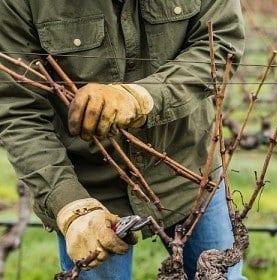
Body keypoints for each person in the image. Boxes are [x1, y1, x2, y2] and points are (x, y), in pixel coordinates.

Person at [0, 0, 245, 279]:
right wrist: (69, 204)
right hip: (90, 188)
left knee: (223, 276)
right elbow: (19, 110)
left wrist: (143, 97)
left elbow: (219, 44)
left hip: (190, 171)